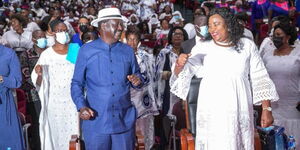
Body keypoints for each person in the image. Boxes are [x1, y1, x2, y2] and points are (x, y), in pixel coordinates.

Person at [170, 8, 278, 150]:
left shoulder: (247, 46)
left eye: (216, 24)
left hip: (239, 109)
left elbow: (260, 77)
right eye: (209, 25)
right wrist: (179, 64)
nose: (212, 29)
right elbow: (181, 74)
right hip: (212, 110)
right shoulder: (203, 47)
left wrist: (267, 109)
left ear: (228, 24)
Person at [71, 8, 144, 150]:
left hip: (124, 121)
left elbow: (138, 76)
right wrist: (81, 106)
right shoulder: (86, 50)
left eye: (121, 24)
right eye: (117, 24)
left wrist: (137, 80)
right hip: (96, 122)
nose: (121, 27)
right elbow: (76, 83)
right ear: (103, 25)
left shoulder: (128, 51)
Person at [31, 20, 78, 150]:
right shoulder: (47, 54)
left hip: (73, 101)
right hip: (54, 103)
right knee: (57, 135)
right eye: (59, 30)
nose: (63, 33)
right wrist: (39, 74)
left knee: (75, 135)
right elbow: (38, 82)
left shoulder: (75, 50)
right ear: (53, 33)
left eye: (65, 30)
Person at [262, 23, 300, 148]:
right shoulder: (267, 55)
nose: (275, 38)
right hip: (273, 109)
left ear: (288, 37)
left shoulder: (298, 53)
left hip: (293, 107)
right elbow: (262, 81)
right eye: (273, 35)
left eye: (279, 35)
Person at [126, 26, 158, 150]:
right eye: (129, 39)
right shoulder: (121, 55)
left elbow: (152, 78)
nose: (132, 42)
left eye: (134, 39)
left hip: (144, 99)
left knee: (144, 132)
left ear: (139, 41)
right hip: (128, 98)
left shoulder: (146, 56)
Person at [19, 30, 46, 150]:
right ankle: (38, 146)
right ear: (33, 39)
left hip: (50, 91)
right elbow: (25, 75)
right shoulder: (26, 54)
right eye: (39, 37)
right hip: (34, 93)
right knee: (38, 123)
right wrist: (39, 85)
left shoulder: (50, 52)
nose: (42, 39)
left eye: (43, 36)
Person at [0, 44, 25, 150]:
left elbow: (17, 82)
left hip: (3, 103)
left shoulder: (8, 53)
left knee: (7, 140)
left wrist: (2, 79)